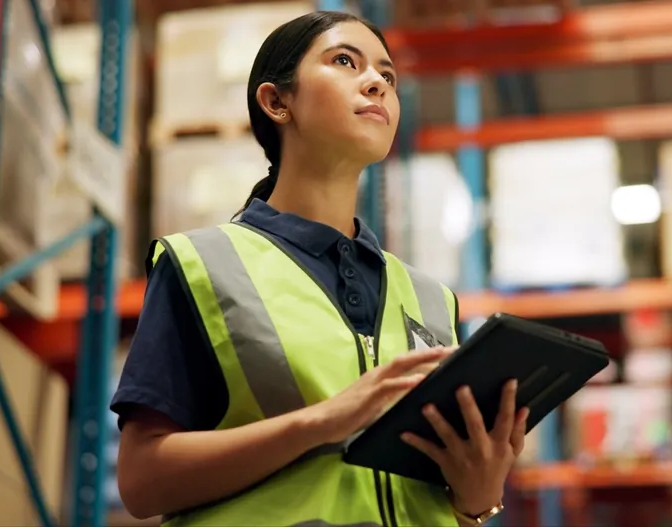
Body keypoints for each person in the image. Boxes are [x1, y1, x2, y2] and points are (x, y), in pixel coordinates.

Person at [112, 11, 528, 527]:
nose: (376, 82)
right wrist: (320, 423)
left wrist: (477, 498)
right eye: (345, 62)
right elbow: (141, 481)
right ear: (276, 102)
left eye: (388, 75)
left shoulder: (432, 299)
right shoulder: (203, 266)